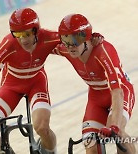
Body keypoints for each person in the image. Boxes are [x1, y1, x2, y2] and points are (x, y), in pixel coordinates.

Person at [0, 8, 103, 154]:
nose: (23, 40)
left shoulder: (48, 37)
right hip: (11, 86)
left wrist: (90, 38)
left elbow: (74, 38)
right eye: (18, 34)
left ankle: (50, 151)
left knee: (42, 128)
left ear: (36, 30)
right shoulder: (7, 45)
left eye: (27, 34)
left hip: (37, 84)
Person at [56, 14, 136, 154]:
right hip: (96, 99)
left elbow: (117, 91)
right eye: (66, 39)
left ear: (86, 37)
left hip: (119, 92)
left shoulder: (104, 52)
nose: (70, 45)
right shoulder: (66, 49)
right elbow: (45, 40)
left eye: (76, 40)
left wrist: (115, 127)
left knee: (117, 133)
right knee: (91, 147)